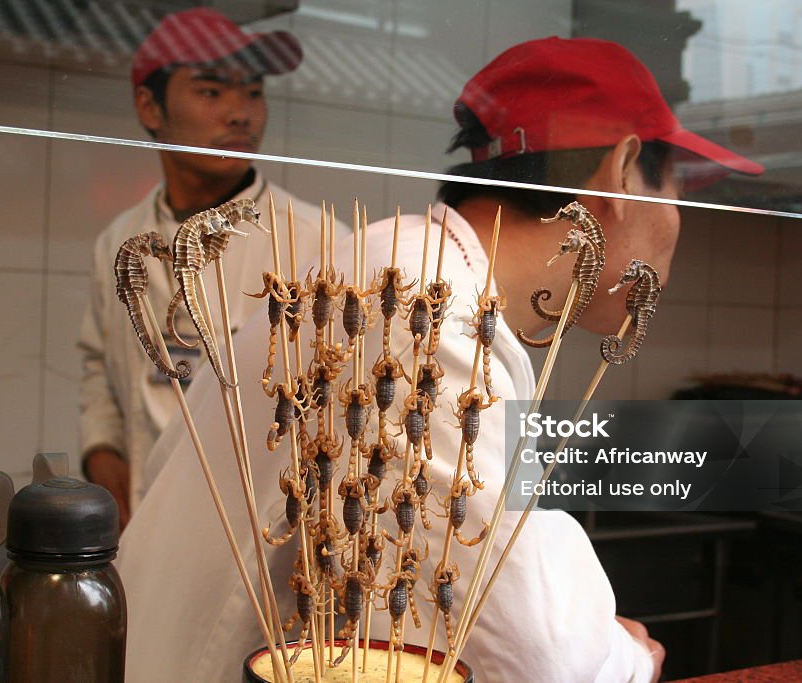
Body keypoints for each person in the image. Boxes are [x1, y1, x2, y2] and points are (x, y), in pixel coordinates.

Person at [118, 38, 762, 682]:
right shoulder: (427, 314)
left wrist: (590, 634)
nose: (678, 218)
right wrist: (627, 659)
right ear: (621, 175)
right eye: (676, 187)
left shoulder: (400, 264)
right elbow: (536, 661)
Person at [77, 8, 333, 525]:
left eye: (253, 92)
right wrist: (101, 453)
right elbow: (97, 368)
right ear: (149, 107)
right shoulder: (121, 241)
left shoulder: (317, 241)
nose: (241, 113)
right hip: (147, 519)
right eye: (212, 91)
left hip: (260, 534)